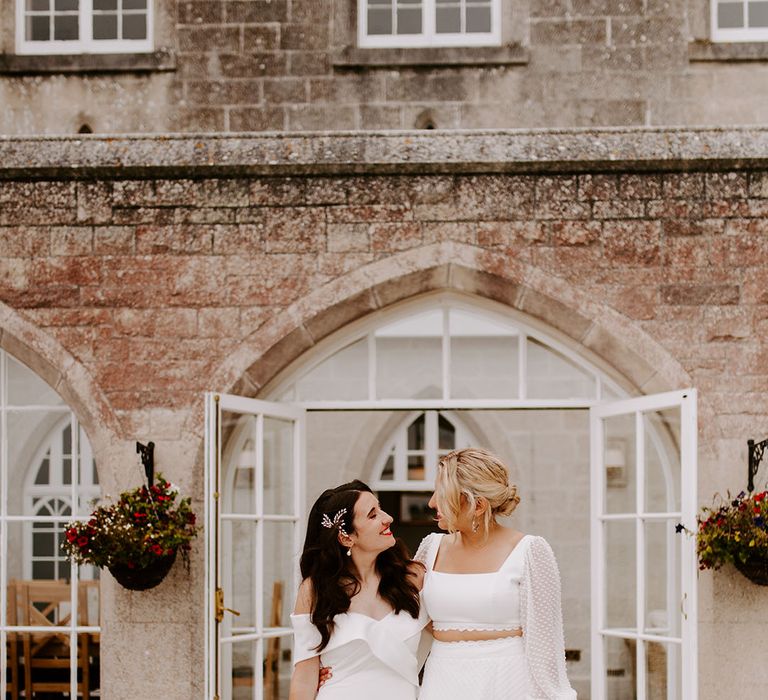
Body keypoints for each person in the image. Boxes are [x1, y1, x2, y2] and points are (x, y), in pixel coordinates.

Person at [416, 447, 576, 699]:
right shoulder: (430, 548)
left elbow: (546, 642)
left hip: (507, 680)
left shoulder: (530, 551)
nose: (432, 502)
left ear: (477, 505)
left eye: (442, 494)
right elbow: (407, 619)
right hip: (442, 679)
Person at [288, 480, 429, 700]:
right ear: (347, 537)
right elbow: (304, 675)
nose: (388, 518)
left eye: (380, 508)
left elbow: (452, 634)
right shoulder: (315, 590)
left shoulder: (413, 578)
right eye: (373, 515)